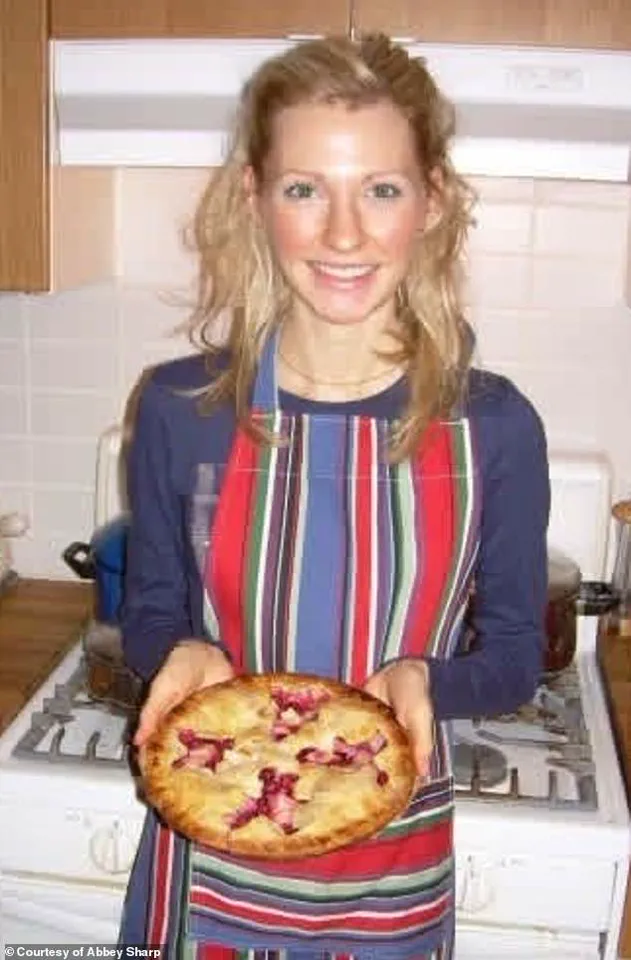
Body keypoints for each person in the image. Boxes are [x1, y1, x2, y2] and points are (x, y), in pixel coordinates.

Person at [118, 33, 550, 960]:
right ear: (254, 197)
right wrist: (182, 649)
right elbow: (151, 612)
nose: (343, 236)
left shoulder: (494, 427)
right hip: (205, 861)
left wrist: (428, 681)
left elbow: (516, 654)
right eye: (304, 190)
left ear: (432, 200)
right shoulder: (180, 409)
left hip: (389, 869)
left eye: (380, 190)